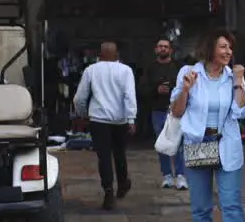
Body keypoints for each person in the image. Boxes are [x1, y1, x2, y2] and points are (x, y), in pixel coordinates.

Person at [170, 28, 245, 222]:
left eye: (230, 47)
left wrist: (239, 81)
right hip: (198, 144)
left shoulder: (233, 76)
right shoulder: (189, 73)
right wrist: (185, 90)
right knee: (200, 208)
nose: (228, 52)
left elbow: (242, 111)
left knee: (231, 205)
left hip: (226, 145)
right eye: (223, 47)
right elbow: (176, 111)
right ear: (210, 48)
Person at [74, 41, 137, 210]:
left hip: (98, 120)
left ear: (99, 55)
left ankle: (108, 191)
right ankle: (123, 183)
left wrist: (83, 114)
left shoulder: (91, 71)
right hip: (120, 120)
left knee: (104, 157)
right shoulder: (126, 71)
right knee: (119, 154)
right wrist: (131, 119)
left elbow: (79, 98)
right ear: (117, 55)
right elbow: (129, 96)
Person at [143, 38, 187, 190]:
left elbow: (185, 86)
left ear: (170, 50)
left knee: (180, 144)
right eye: (160, 46)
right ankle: (167, 175)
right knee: (162, 144)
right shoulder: (150, 68)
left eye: (165, 47)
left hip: (178, 111)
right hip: (158, 110)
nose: (163, 49)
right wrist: (156, 90)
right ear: (156, 49)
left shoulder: (178, 67)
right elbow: (141, 89)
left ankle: (181, 175)